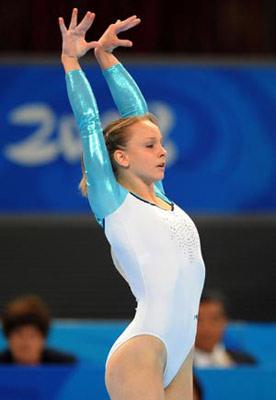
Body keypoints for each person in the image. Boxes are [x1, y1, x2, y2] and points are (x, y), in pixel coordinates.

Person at [59, 8, 205, 400]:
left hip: (182, 349)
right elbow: (90, 122)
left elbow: (137, 116)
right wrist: (72, 59)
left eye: (160, 142)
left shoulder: (162, 198)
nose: (162, 151)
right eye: (150, 145)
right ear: (121, 158)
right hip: (143, 350)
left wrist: (107, 57)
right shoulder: (114, 202)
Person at [0, 294, 76, 365]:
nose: (26, 343)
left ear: (43, 339)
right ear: (8, 337)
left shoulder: (66, 365)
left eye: (32, 336)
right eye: (19, 335)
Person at [194, 290, 256, 367]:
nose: (207, 328)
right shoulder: (179, 368)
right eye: (199, 320)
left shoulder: (245, 363)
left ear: (225, 322)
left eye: (214, 319)